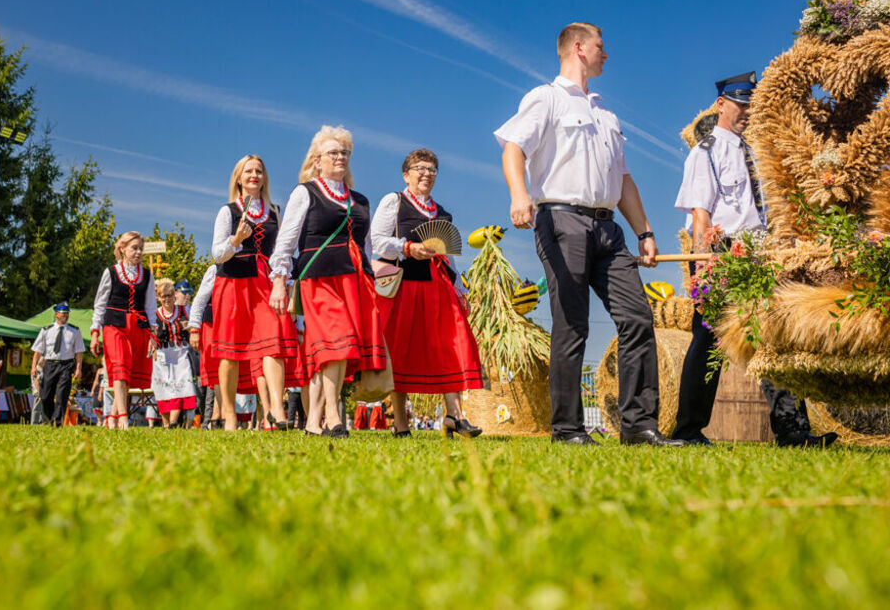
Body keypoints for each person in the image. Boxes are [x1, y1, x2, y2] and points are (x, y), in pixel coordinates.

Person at [495, 22, 684, 447]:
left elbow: (625, 180)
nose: (607, 54)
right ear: (579, 48)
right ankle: (567, 429)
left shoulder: (606, 115)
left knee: (637, 317)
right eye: (602, 46)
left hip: (608, 229)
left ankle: (639, 425)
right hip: (561, 220)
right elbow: (514, 148)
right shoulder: (546, 98)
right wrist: (520, 194)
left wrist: (645, 231)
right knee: (572, 325)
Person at [673, 72, 838, 448]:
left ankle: (792, 431)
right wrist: (701, 267)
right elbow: (701, 213)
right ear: (721, 104)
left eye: (752, 105)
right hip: (724, 253)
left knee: (774, 337)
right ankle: (688, 430)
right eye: (741, 103)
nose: (747, 111)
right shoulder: (706, 152)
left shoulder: (761, 153)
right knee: (709, 338)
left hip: (764, 251)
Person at [268, 125, 386, 438]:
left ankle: (312, 422)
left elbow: (368, 246)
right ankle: (334, 417)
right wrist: (279, 282)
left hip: (355, 282)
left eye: (345, 152)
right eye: (333, 152)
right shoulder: (305, 192)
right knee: (336, 343)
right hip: (318, 279)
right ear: (317, 161)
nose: (340, 157)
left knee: (334, 351)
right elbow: (287, 241)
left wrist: (380, 277)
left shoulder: (360, 200)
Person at [371, 148, 483, 439]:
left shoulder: (442, 213)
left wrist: (460, 290)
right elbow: (377, 243)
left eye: (432, 169)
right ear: (406, 174)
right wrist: (407, 248)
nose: (426, 174)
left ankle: (454, 415)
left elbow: (450, 256)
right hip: (403, 285)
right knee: (400, 349)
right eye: (420, 168)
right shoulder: (394, 202)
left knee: (450, 344)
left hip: (438, 286)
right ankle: (400, 421)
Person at [209, 154, 300, 432]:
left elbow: (285, 250)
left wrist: (285, 280)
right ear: (238, 178)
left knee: (274, 343)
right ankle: (230, 416)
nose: (254, 175)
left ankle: (276, 409)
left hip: (266, 283)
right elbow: (217, 255)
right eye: (248, 171)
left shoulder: (275, 211)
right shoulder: (228, 211)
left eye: (259, 171)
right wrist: (236, 239)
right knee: (230, 352)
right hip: (233, 283)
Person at [90, 231, 159, 430]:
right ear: (122, 249)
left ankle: (111, 417)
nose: (138, 253)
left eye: (140, 249)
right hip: (114, 325)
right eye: (134, 248)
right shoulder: (111, 272)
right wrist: (95, 332)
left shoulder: (146, 275)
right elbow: (100, 304)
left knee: (129, 374)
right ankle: (122, 417)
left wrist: (153, 335)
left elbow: (151, 308)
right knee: (119, 368)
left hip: (138, 328)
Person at [30, 302, 85, 427]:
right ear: (56, 314)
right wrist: (33, 367)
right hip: (49, 364)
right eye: (62, 312)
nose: (65, 315)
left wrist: (78, 369)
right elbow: (38, 351)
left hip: (66, 365)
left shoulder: (75, 331)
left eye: (67, 313)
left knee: (62, 395)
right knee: (45, 396)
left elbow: (79, 351)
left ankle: (57, 423)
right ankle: (52, 416)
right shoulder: (46, 330)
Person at [152, 278, 198, 428]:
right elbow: (149, 335)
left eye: (169, 295)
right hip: (161, 356)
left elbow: (195, 328)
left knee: (179, 387)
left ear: (174, 296)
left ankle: (173, 421)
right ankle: (167, 424)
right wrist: (152, 340)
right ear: (158, 298)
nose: (167, 299)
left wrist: (189, 328)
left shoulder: (184, 311)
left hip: (180, 354)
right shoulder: (154, 315)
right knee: (163, 390)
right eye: (163, 296)